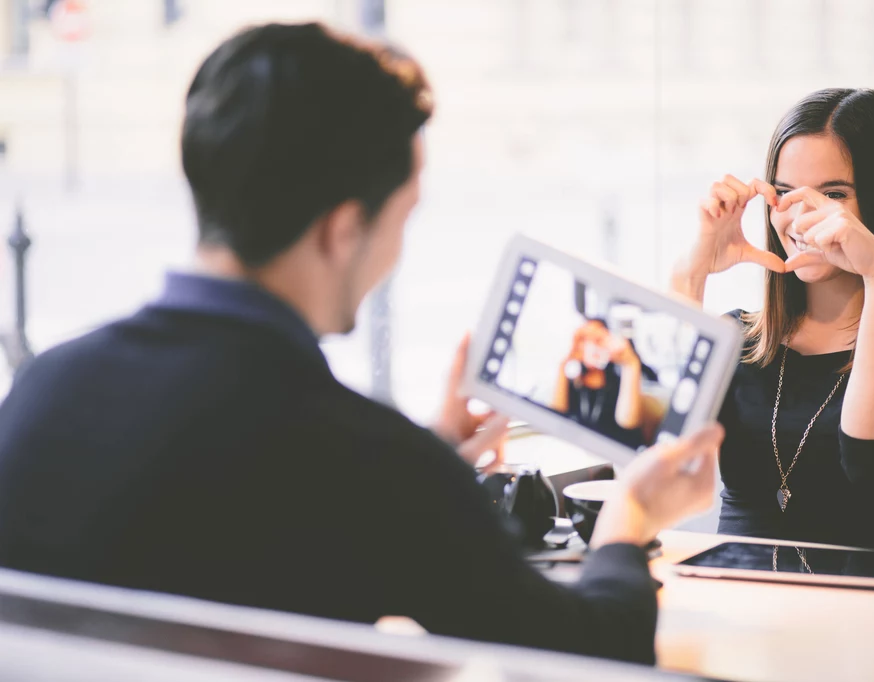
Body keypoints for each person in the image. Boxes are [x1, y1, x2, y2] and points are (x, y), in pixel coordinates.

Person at [0, 23, 725, 664]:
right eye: (403, 217)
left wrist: (435, 450)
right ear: (343, 229)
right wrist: (629, 518)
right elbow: (590, 650)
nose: (396, 250)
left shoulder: (43, 391)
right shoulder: (368, 461)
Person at [671, 88, 874, 551]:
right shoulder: (736, 337)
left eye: (833, 194)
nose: (801, 218)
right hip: (739, 599)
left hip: (869, 606)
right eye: (783, 194)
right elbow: (661, 459)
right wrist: (691, 272)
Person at [550, 318, 659, 449]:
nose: (592, 346)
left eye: (598, 340)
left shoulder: (620, 382)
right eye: (584, 340)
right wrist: (564, 362)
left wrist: (631, 363)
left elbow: (628, 421)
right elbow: (554, 418)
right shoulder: (572, 384)